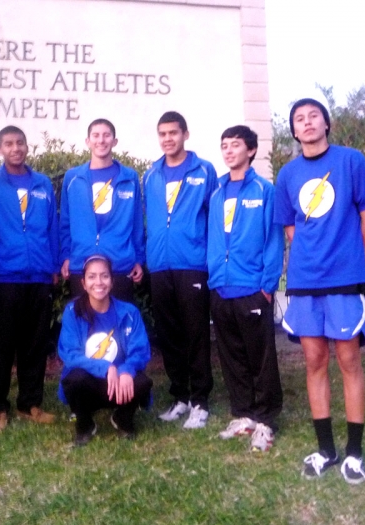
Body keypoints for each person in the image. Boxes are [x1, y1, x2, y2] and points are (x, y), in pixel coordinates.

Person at [274, 98, 365, 484]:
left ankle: (354, 453)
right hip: (304, 282)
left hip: (343, 281)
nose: (306, 123)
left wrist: (352, 262)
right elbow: (291, 231)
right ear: (293, 130)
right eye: (299, 119)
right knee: (313, 360)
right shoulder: (287, 174)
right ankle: (327, 449)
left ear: (326, 123)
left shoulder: (351, 161)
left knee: (349, 362)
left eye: (313, 117)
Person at [207, 125, 284, 451]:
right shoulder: (217, 192)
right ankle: (242, 414)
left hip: (253, 288)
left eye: (235, 145)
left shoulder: (264, 191)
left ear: (250, 151)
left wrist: (267, 285)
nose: (228, 151)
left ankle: (265, 421)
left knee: (261, 358)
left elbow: (273, 240)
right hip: (221, 287)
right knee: (231, 356)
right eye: (224, 146)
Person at [0, 125, 59, 432]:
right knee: (3, 345)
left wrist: (52, 265)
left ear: (27, 146)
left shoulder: (42, 183)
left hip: (39, 275)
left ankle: (30, 403)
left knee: (35, 344)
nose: (15, 148)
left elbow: (53, 226)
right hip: (5, 277)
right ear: (0, 149)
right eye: (9, 144)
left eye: (20, 143)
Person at [143, 111, 217, 429]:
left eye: (173, 133)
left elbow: (214, 218)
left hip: (193, 264)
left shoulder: (204, 170)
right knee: (169, 334)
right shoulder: (151, 175)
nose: (168, 139)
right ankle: (180, 397)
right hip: (160, 265)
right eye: (162, 134)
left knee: (196, 333)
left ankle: (200, 401)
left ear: (185, 134)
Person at [58, 255, 153, 446]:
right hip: (89, 386)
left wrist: (126, 370)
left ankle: (122, 418)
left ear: (112, 281)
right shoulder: (72, 311)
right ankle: (84, 425)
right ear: (83, 283)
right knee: (74, 378)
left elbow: (141, 351)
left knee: (143, 382)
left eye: (104, 276)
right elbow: (69, 354)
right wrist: (106, 367)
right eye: (92, 277)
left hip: (118, 386)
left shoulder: (129, 312)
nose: (98, 282)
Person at [60, 118, 144, 303]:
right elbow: (65, 222)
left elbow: (137, 221)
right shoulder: (73, 178)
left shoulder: (129, 177)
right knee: (85, 327)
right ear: (87, 141)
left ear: (114, 141)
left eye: (106, 135)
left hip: (120, 265)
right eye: (96, 136)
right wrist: (66, 255)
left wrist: (138, 257)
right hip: (82, 264)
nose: (101, 140)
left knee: (118, 328)